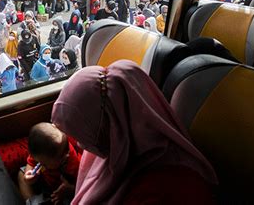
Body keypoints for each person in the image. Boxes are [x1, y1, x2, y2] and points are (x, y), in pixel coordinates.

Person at [51, 61, 218, 204]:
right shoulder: (111, 148)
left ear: (114, 125)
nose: (81, 145)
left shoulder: (169, 189)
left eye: (84, 136)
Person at [19, 122, 81, 204]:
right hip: (45, 180)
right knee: (21, 174)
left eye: (44, 164)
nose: (39, 164)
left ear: (62, 159)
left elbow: (82, 186)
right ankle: (31, 201)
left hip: (60, 191)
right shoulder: (42, 153)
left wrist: (69, 189)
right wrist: (28, 176)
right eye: (38, 161)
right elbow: (31, 162)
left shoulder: (74, 165)